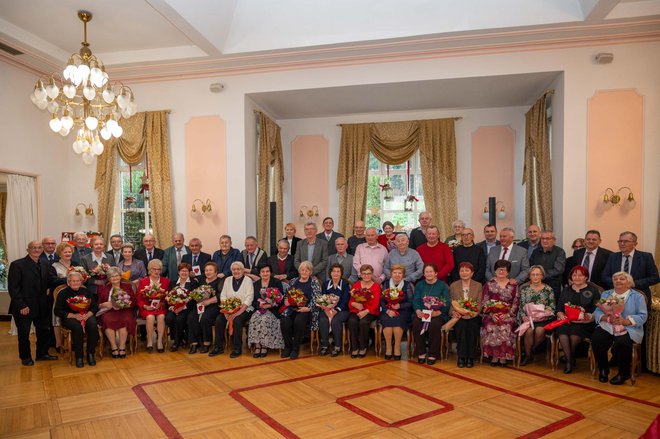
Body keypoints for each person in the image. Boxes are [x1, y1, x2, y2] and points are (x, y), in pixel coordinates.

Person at [592, 272, 648, 385]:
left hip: (628, 327)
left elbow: (643, 316)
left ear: (629, 283)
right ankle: (603, 368)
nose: (618, 281)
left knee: (621, 343)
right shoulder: (607, 294)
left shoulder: (637, 296)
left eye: (622, 279)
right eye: (615, 279)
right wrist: (605, 318)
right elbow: (598, 312)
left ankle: (624, 373)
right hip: (608, 325)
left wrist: (625, 321)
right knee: (597, 339)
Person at [8, 240, 55, 366]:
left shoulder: (44, 263)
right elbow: (13, 288)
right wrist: (22, 305)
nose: (36, 250)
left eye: (39, 247)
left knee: (44, 331)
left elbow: (49, 280)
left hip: (41, 306)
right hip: (24, 307)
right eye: (33, 248)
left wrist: (69, 279)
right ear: (28, 249)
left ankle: (42, 354)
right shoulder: (17, 265)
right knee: (24, 334)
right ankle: (25, 357)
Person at [555, 265, 601, 374]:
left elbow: (597, 310)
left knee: (574, 336)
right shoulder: (566, 290)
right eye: (574, 275)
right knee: (562, 333)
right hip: (567, 320)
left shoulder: (592, 291)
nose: (577, 277)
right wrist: (561, 315)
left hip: (585, 322)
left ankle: (568, 357)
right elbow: (559, 308)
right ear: (571, 277)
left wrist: (588, 318)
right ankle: (570, 361)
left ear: (586, 277)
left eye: (580, 275)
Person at [54, 271, 98, 368]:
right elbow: (57, 311)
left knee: (93, 324)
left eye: (78, 281)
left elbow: (95, 306)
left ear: (81, 282)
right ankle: (79, 356)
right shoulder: (63, 293)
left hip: (86, 315)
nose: (75, 283)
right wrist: (74, 316)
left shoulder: (87, 291)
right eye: (73, 281)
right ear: (68, 282)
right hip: (70, 318)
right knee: (77, 327)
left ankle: (90, 353)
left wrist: (88, 314)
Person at [602, 231, 659, 304]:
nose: (622, 244)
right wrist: (617, 283)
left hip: (639, 296)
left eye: (626, 241)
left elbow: (655, 278)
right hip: (616, 297)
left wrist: (633, 283)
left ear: (635, 243)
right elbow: (604, 276)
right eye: (620, 241)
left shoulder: (645, 257)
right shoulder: (613, 256)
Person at [211, 261, 254, 358]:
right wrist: (226, 310)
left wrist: (237, 313)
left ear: (243, 270)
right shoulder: (227, 280)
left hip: (245, 309)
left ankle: (237, 348)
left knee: (237, 320)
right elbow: (223, 296)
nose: (236, 271)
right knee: (219, 320)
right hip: (229, 308)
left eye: (238, 269)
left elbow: (249, 298)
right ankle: (218, 347)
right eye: (234, 269)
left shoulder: (248, 280)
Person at [481, 259, 520, 366]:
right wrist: (492, 313)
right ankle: (494, 357)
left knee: (505, 326)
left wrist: (507, 314)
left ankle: (503, 357)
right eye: (499, 269)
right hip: (490, 315)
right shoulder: (489, 284)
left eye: (504, 270)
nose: (501, 272)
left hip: (508, 315)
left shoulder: (514, 285)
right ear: (495, 270)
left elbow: (516, 302)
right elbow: (485, 301)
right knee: (491, 325)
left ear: (508, 272)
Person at [281, 261, 322, 359]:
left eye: (307, 270)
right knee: (284, 320)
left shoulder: (314, 282)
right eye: (302, 270)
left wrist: (308, 308)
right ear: (299, 271)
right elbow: (287, 294)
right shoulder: (293, 281)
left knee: (298, 321)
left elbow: (318, 299)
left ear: (310, 272)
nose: (304, 272)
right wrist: (286, 300)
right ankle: (288, 347)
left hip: (307, 310)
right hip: (292, 308)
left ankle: (295, 348)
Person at [411, 263, 450, 365]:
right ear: (423, 274)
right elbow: (415, 300)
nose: (429, 274)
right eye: (426, 272)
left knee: (435, 324)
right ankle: (421, 352)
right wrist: (418, 310)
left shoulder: (443, 285)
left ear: (436, 273)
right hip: (422, 313)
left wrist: (439, 312)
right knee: (416, 323)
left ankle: (433, 353)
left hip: (438, 314)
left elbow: (447, 302)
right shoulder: (420, 285)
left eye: (431, 271)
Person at [516, 265, 555, 366]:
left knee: (539, 330)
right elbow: (521, 306)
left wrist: (546, 313)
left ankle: (532, 350)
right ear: (529, 276)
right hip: (528, 319)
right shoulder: (524, 289)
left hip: (544, 319)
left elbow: (552, 306)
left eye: (538, 274)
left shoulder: (548, 289)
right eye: (533, 275)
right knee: (528, 331)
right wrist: (523, 316)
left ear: (542, 276)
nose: (535, 277)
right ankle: (528, 355)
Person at [97, 267, 136, 359]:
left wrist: (126, 303)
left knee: (125, 320)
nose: (114, 278)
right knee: (107, 320)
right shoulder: (104, 288)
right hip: (109, 311)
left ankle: (122, 347)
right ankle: (114, 346)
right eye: (111, 276)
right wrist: (103, 305)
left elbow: (134, 301)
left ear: (120, 276)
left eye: (116, 276)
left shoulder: (127, 286)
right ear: (109, 279)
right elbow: (98, 303)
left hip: (125, 310)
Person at [449, 262, 483, 368]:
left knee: (472, 327)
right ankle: (461, 356)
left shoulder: (478, 285)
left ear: (472, 273)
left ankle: (470, 357)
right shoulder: (454, 285)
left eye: (467, 270)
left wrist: (473, 313)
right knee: (462, 327)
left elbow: (479, 303)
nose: (464, 273)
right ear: (459, 273)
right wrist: (453, 312)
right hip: (458, 315)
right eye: (462, 270)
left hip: (473, 315)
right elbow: (451, 302)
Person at [248, 264, 285, 357]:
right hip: (259, 310)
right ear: (260, 274)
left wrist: (270, 305)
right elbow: (252, 301)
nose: (265, 273)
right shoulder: (255, 284)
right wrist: (259, 305)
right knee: (254, 319)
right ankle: (257, 346)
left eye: (267, 271)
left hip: (273, 310)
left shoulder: (276, 282)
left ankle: (264, 346)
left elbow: (281, 300)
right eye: (263, 272)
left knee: (264, 320)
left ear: (270, 272)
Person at [187, 262, 223, 354]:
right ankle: (194, 343)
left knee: (205, 318)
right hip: (200, 304)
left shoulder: (220, 281)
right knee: (191, 317)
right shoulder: (201, 279)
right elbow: (195, 292)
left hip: (213, 305)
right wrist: (198, 298)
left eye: (210, 270)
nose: (208, 272)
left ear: (216, 272)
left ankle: (207, 343)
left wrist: (208, 301)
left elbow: (220, 295)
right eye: (206, 270)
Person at [380, 264, 413, 360]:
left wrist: (399, 306)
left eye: (400, 273)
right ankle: (389, 348)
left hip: (403, 311)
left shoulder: (407, 285)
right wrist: (387, 310)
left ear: (403, 275)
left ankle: (397, 348)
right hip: (388, 310)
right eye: (395, 272)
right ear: (391, 274)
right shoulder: (386, 284)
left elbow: (411, 302)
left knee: (398, 321)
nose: (397, 275)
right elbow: (382, 300)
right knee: (387, 321)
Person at [136, 259, 170, 353]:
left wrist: (162, 303)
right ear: (149, 270)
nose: (156, 271)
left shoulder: (166, 281)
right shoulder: (143, 281)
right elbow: (138, 298)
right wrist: (145, 307)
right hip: (147, 307)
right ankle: (150, 340)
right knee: (150, 317)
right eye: (154, 269)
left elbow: (168, 297)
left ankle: (159, 341)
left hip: (160, 307)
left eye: (158, 269)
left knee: (161, 316)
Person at [348, 264, 381, 358]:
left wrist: (366, 311)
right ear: (360, 275)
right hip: (356, 310)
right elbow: (351, 301)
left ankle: (363, 347)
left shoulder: (376, 287)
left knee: (363, 322)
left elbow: (376, 304)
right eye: (364, 274)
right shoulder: (356, 285)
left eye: (369, 273)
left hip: (371, 312)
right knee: (352, 321)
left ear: (372, 274)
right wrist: (354, 304)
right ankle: (354, 348)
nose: (366, 276)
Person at [318, 263, 351, 356]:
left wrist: (336, 310)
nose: (336, 273)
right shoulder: (325, 284)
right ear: (330, 273)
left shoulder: (345, 285)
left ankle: (337, 346)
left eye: (338, 271)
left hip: (342, 310)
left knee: (336, 320)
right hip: (327, 309)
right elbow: (323, 299)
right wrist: (326, 309)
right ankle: (325, 345)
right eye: (334, 271)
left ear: (341, 273)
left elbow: (345, 301)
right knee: (323, 319)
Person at [49, 242, 76, 353]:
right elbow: (52, 280)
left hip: (75, 297)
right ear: (59, 253)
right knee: (57, 320)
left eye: (69, 252)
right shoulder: (54, 266)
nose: (68, 253)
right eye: (65, 252)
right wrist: (68, 280)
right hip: (59, 296)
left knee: (74, 318)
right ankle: (58, 344)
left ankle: (73, 342)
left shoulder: (76, 264)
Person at [165, 263, 198, 352]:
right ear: (178, 272)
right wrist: (172, 307)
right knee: (169, 318)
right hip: (174, 307)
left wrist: (181, 308)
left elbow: (193, 299)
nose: (184, 273)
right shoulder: (173, 282)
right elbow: (169, 295)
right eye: (182, 271)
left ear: (189, 272)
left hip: (187, 308)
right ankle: (183, 336)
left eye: (186, 271)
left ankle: (176, 342)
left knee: (180, 319)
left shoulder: (193, 283)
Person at [529, 231, 566, 302]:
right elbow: (531, 267)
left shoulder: (560, 252)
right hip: (536, 286)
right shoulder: (535, 251)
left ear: (554, 240)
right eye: (542, 238)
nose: (545, 241)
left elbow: (558, 270)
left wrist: (540, 276)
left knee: (550, 310)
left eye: (548, 238)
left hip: (552, 287)